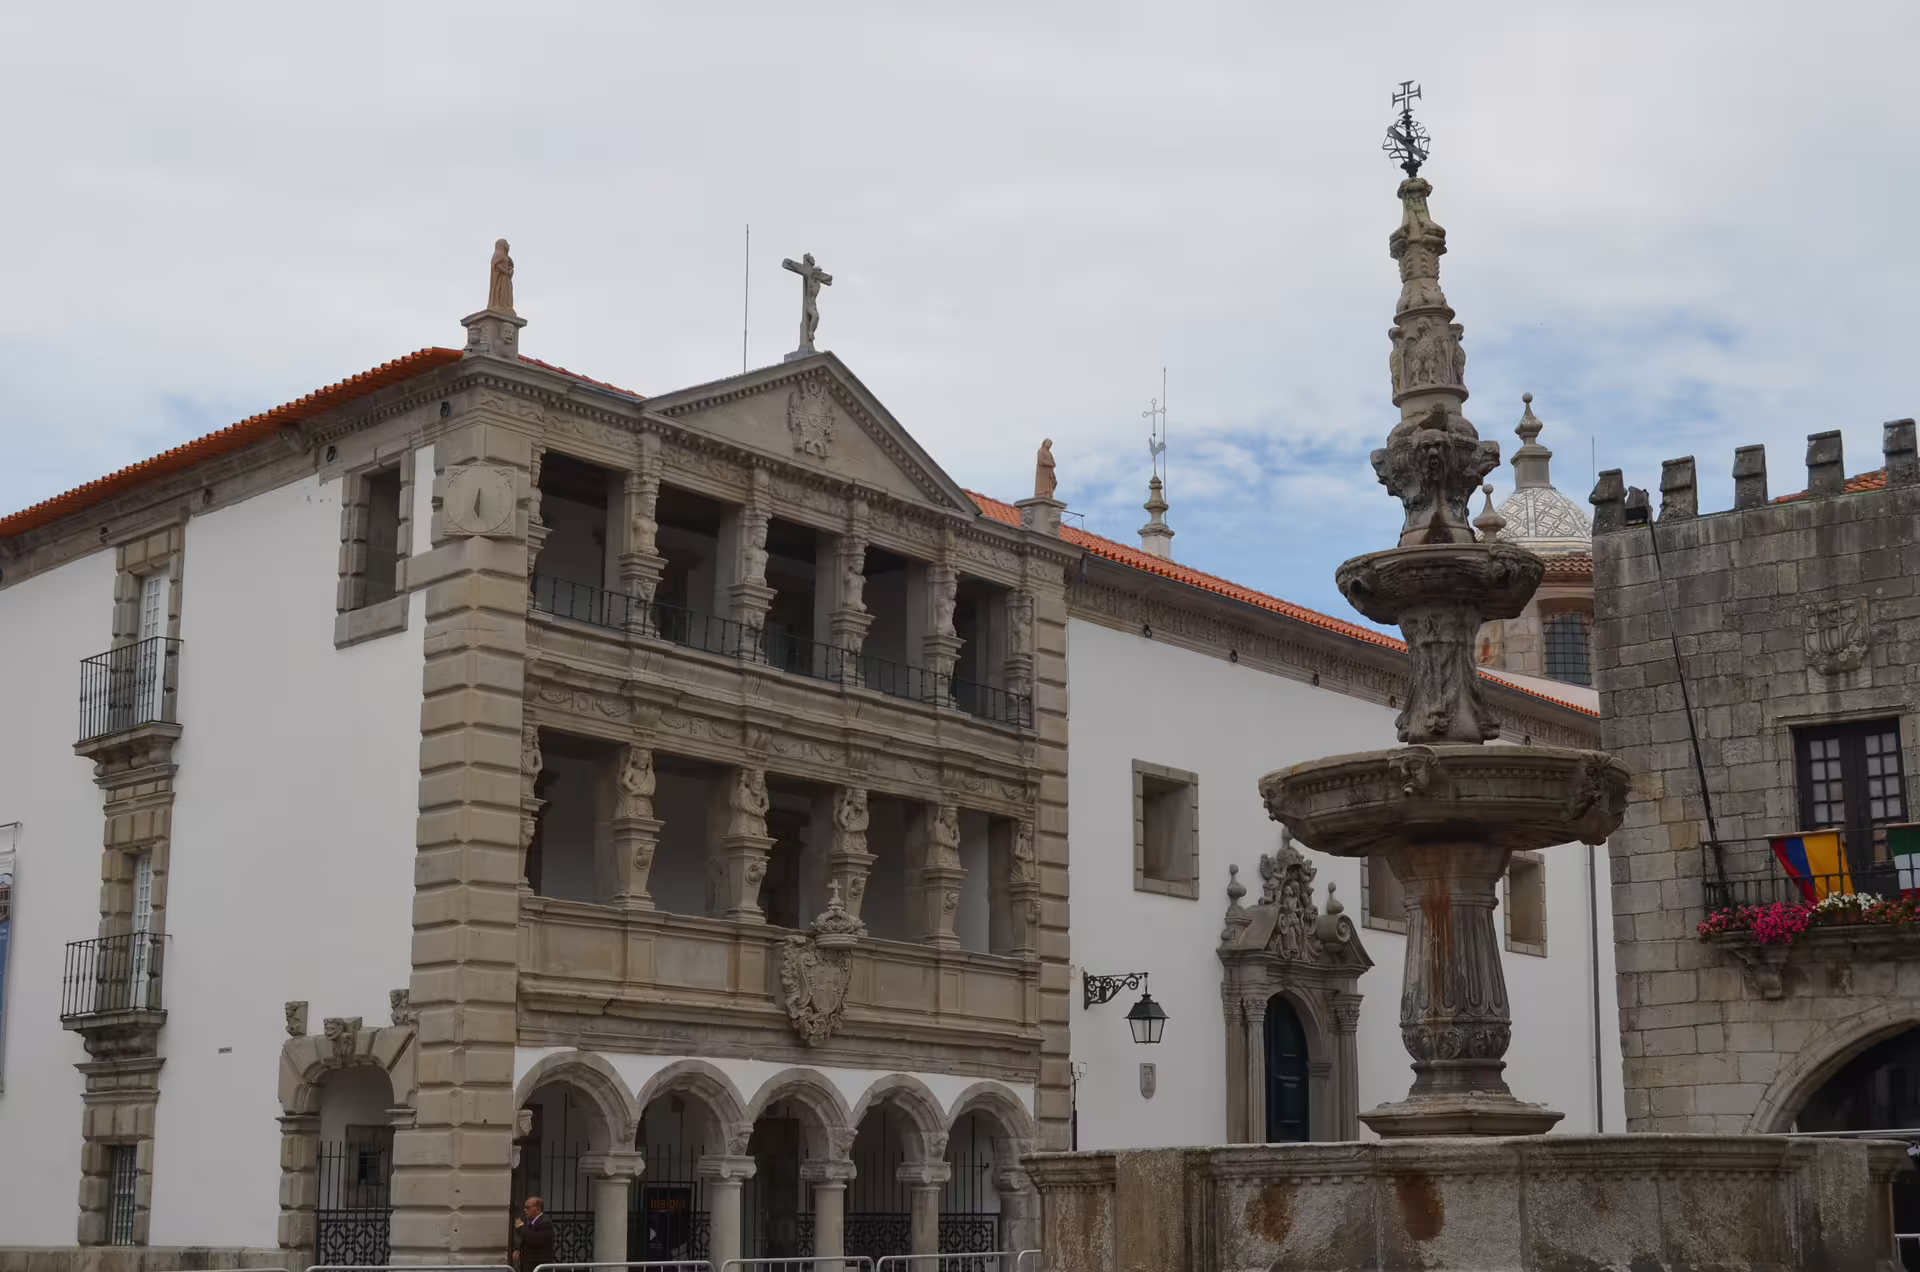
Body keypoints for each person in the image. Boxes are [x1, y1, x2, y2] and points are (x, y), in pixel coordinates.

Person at [513, 1195, 555, 1270]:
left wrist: (520, 1227)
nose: (525, 1210)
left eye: (528, 1207)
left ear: (537, 1208)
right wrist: (519, 1251)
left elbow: (533, 1239)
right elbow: (526, 1241)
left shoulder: (545, 1222)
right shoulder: (531, 1222)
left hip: (538, 1266)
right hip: (528, 1266)